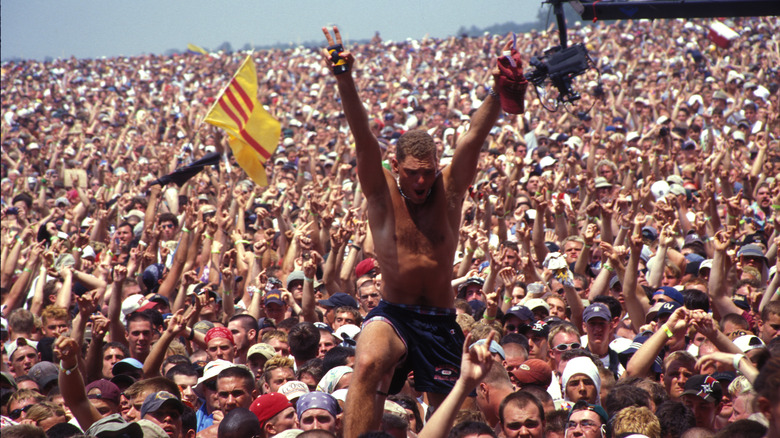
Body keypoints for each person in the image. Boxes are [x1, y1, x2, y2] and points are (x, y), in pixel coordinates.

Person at [322, 27, 508, 437]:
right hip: (394, 313)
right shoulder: (382, 191)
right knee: (368, 364)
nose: (421, 183)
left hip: (441, 319)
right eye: (412, 174)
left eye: (428, 173)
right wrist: (344, 79)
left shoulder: (450, 189)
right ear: (396, 166)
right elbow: (363, 138)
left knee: (450, 410)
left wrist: (498, 90)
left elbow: (474, 139)